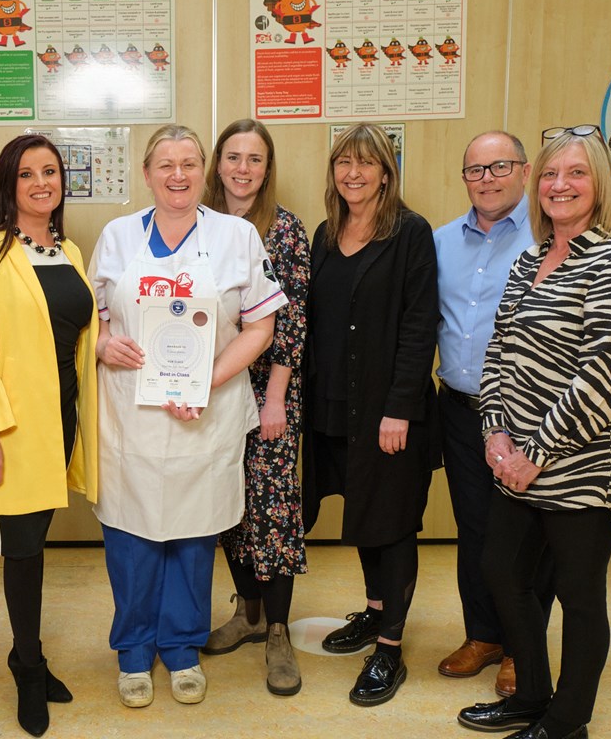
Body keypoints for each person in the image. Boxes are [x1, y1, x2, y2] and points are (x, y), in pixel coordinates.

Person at [456, 125, 611, 739]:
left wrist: (535, 452)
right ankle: (532, 695)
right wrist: (494, 433)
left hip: (586, 464)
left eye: (575, 174)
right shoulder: (530, 260)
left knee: (578, 594)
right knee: (503, 572)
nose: (558, 185)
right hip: (514, 458)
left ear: (599, 184)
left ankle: (567, 723)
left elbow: (602, 376)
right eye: (549, 174)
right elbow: (500, 354)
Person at [89, 124, 285, 709]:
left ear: (205, 172)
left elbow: (260, 328)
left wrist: (207, 379)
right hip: (133, 415)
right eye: (165, 164)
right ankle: (132, 650)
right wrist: (103, 346)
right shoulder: (118, 235)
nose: (178, 175)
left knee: (195, 536)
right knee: (132, 534)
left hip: (208, 409)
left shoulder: (237, 235)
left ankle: (179, 647)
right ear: (146, 174)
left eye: (189, 163)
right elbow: (94, 318)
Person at [0, 134, 98, 737]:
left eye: (51, 172)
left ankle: (24, 654)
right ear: (8, 185)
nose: (42, 183)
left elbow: (80, 336)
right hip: (9, 426)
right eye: (28, 174)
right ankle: (28, 667)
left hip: (62, 419)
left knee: (36, 537)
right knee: (24, 551)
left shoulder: (71, 252)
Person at [302, 122, 439, 707]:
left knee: (392, 523)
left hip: (388, 409)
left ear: (387, 171)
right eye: (343, 163)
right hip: (336, 403)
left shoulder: (410, 232)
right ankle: (374, 610)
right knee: (362, 512)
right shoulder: (326, 233)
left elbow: (418, 324)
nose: (352, 173)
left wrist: (399, 409)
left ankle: (389, 648)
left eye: (366, 162)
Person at [434, 131, 552, 698]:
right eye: (475, 170)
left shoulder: (550, 241)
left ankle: (521, 647)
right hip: (460, 410)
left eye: (499, 166)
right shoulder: (439, 243)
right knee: (474, 528)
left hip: (528, 416)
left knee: (525, 535)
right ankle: (482, 635)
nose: (487, 179)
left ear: (524, 172)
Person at [199, 119, 310, 697]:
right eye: (234, 157)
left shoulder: (285, 229)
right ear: (218, 163)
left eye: (256, 160)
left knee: (274, 511)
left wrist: (273, 401)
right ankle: (247, 614)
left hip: (269, 389)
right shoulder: (199, 224)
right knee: (228, 505)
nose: (243, 169)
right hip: (212, 390)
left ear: (268, 170)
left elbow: (289, 323)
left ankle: (280, 631)